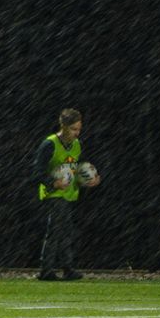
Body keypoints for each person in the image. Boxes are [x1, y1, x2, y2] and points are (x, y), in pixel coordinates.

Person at [34, 106, 97, 279]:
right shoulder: (50, 144)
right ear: (63, 126)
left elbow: (74, 170)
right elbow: (37, 171)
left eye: (79, 129)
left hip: (68, 194)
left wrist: (88, 179)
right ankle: (48, 270)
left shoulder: (77, 145)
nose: (77, 133)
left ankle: (65, 269)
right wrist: (53, 182)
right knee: (56, 231)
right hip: (52, 193)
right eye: (73, 129)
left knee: (64, 231)